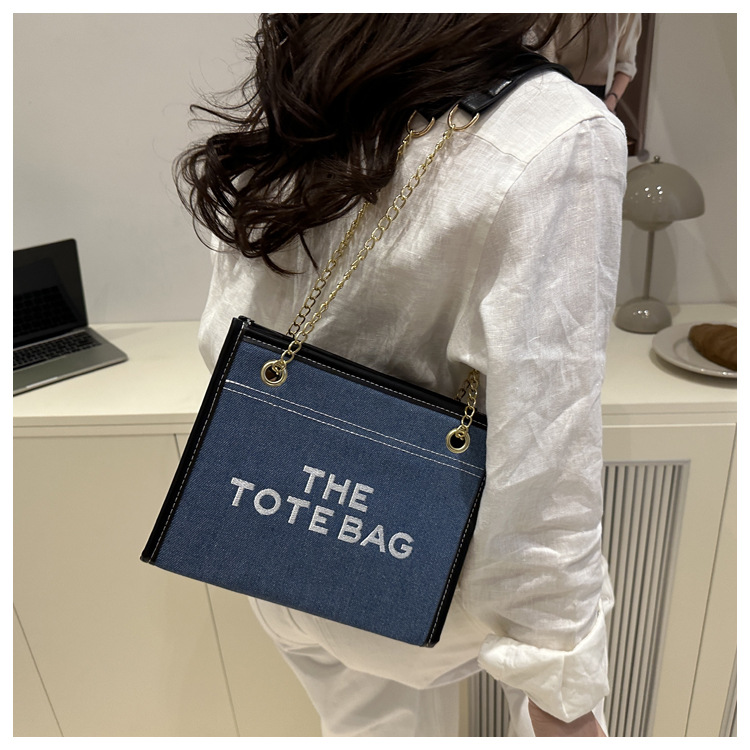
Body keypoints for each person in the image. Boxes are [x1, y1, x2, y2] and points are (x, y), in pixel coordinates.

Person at [176, 13, 627, 737]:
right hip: (411, 568)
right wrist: (562, 684)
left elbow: (225, 330)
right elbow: (546, 445)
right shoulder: (560, 130)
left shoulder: (318, 61)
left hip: (271, 540)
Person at [540, 13, 642, 112]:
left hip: (603, 96)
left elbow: (625, 63)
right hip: (560, 87)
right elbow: (546, 61)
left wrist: (611, 100)